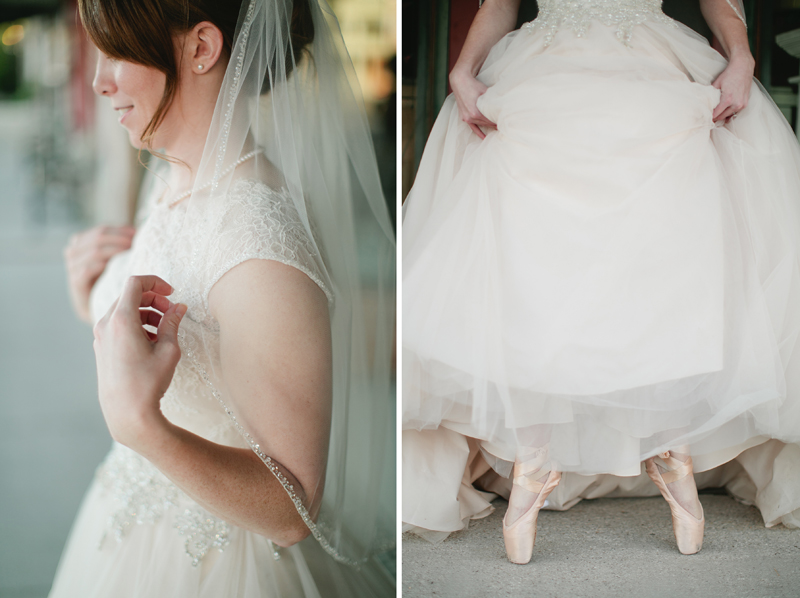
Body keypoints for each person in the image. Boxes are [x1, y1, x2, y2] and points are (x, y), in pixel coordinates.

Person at [402, 0, 800, 565]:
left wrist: (741, 57)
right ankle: (539, 460)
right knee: (533, 263)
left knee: (663, 259)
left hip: (648, 68)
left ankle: (665, 447)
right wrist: (462, 70)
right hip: (546, 69)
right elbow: (499, 3)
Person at [56, 0, 395, 595]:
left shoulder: (254, 240)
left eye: (116, 51)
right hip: (128, 530)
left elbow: (292, 511)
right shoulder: (173, 175)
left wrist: (142, 426)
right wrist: (93, 300)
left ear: (202, 48)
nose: (99, 80)